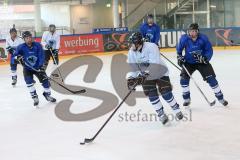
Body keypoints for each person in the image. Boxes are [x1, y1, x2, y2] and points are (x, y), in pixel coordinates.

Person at [127, 32, 183, 125]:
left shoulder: (152, 46)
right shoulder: (131, 52)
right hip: (145, 75)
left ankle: (176, 108)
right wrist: (131, 79)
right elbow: (133, 68)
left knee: (166, 92)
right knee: (151, 94)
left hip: (160, 72)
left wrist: (143, 75)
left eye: (132, 43)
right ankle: (161, 114)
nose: (131, 46)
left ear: (138, 43)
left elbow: (155, 64)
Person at [176, 23, 228, 106]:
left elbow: (209, 50)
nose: (192, 33)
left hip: (202, 62)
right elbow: (179, 51)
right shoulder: (184, 39)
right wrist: (179, 58)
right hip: (189, 62)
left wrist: (205, 58)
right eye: (191, 31)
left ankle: (220, 98)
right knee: (183, 79)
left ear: (197, 31)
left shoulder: (203, 38)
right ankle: (186, 99)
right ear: (188, 32)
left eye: (194, 31)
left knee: (212, 79)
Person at [14, 31, 56, 106]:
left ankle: (47, 95)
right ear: (24, 39)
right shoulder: (21, 47)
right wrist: (18, 58)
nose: (29, 39)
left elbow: (41, 56)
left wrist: (41, 66)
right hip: (27, 68)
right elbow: (14, 56)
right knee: (29, 82)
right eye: (27, 38)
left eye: (30, 37)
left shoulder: (38, 45)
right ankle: (34, 97)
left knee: (46, 82)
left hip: (38, 68)